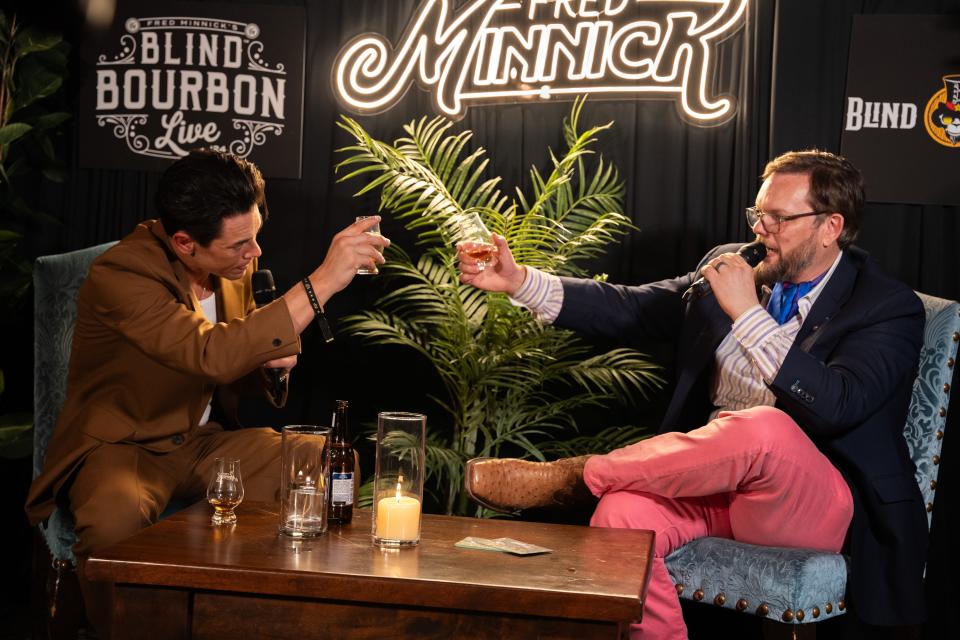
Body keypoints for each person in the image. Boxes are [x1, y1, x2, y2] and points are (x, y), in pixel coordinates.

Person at [458, 150, 927, 638]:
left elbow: (838, 404)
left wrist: (748, 315)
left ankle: (575, 477)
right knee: (622, 517)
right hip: (717, 486)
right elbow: (636, 309)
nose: (761, 229)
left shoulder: (885, 307)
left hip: (813, 502)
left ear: (830, 226)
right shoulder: (736, 265)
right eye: (758, 214)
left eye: (778, 219)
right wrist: (519, 282)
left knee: (764, 427)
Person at [25, 149, 388, 637]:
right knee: (114, 526)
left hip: (204, 444)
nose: (254, 253)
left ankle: (277, 618)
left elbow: (241, 357)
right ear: (184, 242)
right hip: (127, 445)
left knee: (323, 459)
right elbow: (209, 354)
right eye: (240, 244)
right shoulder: (123, 274)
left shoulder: (232, 268)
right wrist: (322, 281)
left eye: (256, 236)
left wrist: (270, 364)